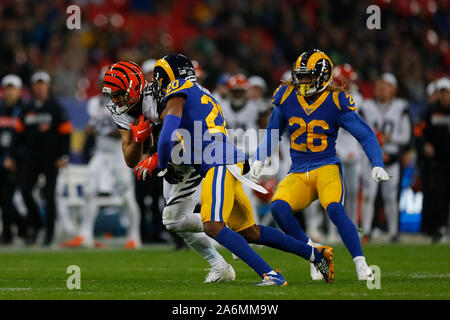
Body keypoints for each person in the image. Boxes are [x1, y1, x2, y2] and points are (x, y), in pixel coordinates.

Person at [152, 53, 335, 286]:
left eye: (159, 80)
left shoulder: (179, 87)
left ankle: (271, 275)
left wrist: (161, 165)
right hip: (230, 162)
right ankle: (317, 255)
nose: (158, 86)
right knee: (251, 231)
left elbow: (168, 132)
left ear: (168, 76)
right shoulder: (203, 92)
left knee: (213, 225)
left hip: (219, 164)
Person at [250, 49, 390, 281]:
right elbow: (273, 133)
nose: (303, 81)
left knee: (334, 208)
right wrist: (259, 158)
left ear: (323, 76)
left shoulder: (335, 100)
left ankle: (361, 264)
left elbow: (365, 134)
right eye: (301, 76)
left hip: (326, 167)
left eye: (309, 76)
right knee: (278, 208)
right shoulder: (286, 97)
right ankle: (315, 253)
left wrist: (377, 162)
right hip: (298, 171)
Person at [101, 60, 235, 283]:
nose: (115, 101)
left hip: (192, 150)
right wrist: (138, 138)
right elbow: (130, 159)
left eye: (118, 95)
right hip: (169, 159)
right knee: (174, 220)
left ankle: (224, 228)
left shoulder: (159, 95)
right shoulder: (123, 112)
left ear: (134, 89)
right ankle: (221, 258)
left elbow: (185, 130)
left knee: (173, 218)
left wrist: (156, 158)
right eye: (112, 95)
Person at [60, 69, 141, 249]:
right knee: (89, 192)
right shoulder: (94, 103)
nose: (104, 86)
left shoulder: (124, 102)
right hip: (100, 154)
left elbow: (124, 131)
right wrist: (97, 130)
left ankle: (134, 237)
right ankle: (85, 235)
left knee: (127, 196)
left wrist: (100, 130)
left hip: (119, 154)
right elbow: (92, 127)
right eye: (102, 82)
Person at [13, 71, 72, 245]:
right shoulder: (26, 109)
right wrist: (13, 156)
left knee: (49, 195)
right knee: (24, 191)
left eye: (43, 83)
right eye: (37, 84)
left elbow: (66, 134)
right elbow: (18, 135)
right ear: (32, 87)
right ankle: (37, 223)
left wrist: (64, 155)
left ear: (48, 86)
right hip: (31, 157)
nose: (40, 87)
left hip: (51, 158)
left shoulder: (56, 108)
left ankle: (49, 233)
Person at [359, 73, 412, 242]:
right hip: (372, 157)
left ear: (394, 89)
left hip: (392, 157)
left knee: (391, 197)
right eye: (379, 85)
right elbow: (359, 131)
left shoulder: (401, 106)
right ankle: (366, 230)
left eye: (386, 85)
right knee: (369, 194)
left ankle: (393, 232)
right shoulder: (366, 106)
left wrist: (389, 138)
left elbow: (406, 136)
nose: (382, 88)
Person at [134, 59, 167, 244]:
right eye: (147, 73)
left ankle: (158, 232)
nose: (150, 78)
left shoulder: (165, 95)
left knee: (158, 195)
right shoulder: (138, 97)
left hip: (157, 151)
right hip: (141, 151)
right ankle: (142, 233)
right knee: (140, 197)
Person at [415, 77, 450, 243]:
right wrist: (425, 144)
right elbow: (418, 129)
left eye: (446, 93)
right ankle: (438, 228)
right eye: (441, 93)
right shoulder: (430, 110)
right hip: (436, 161)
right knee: (438, 194)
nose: (444, 96)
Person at [0, 74, 26, 244]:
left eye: (13, 89)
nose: (10, 92)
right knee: (4, 198)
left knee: (10, 197)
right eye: (7, 89)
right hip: (1, 158)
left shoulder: (25, 110)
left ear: (19, 91)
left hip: (17, 160)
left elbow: (27, 137)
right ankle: (19, 229)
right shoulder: (1, 109)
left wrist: (15, 157)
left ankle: (17, 230)